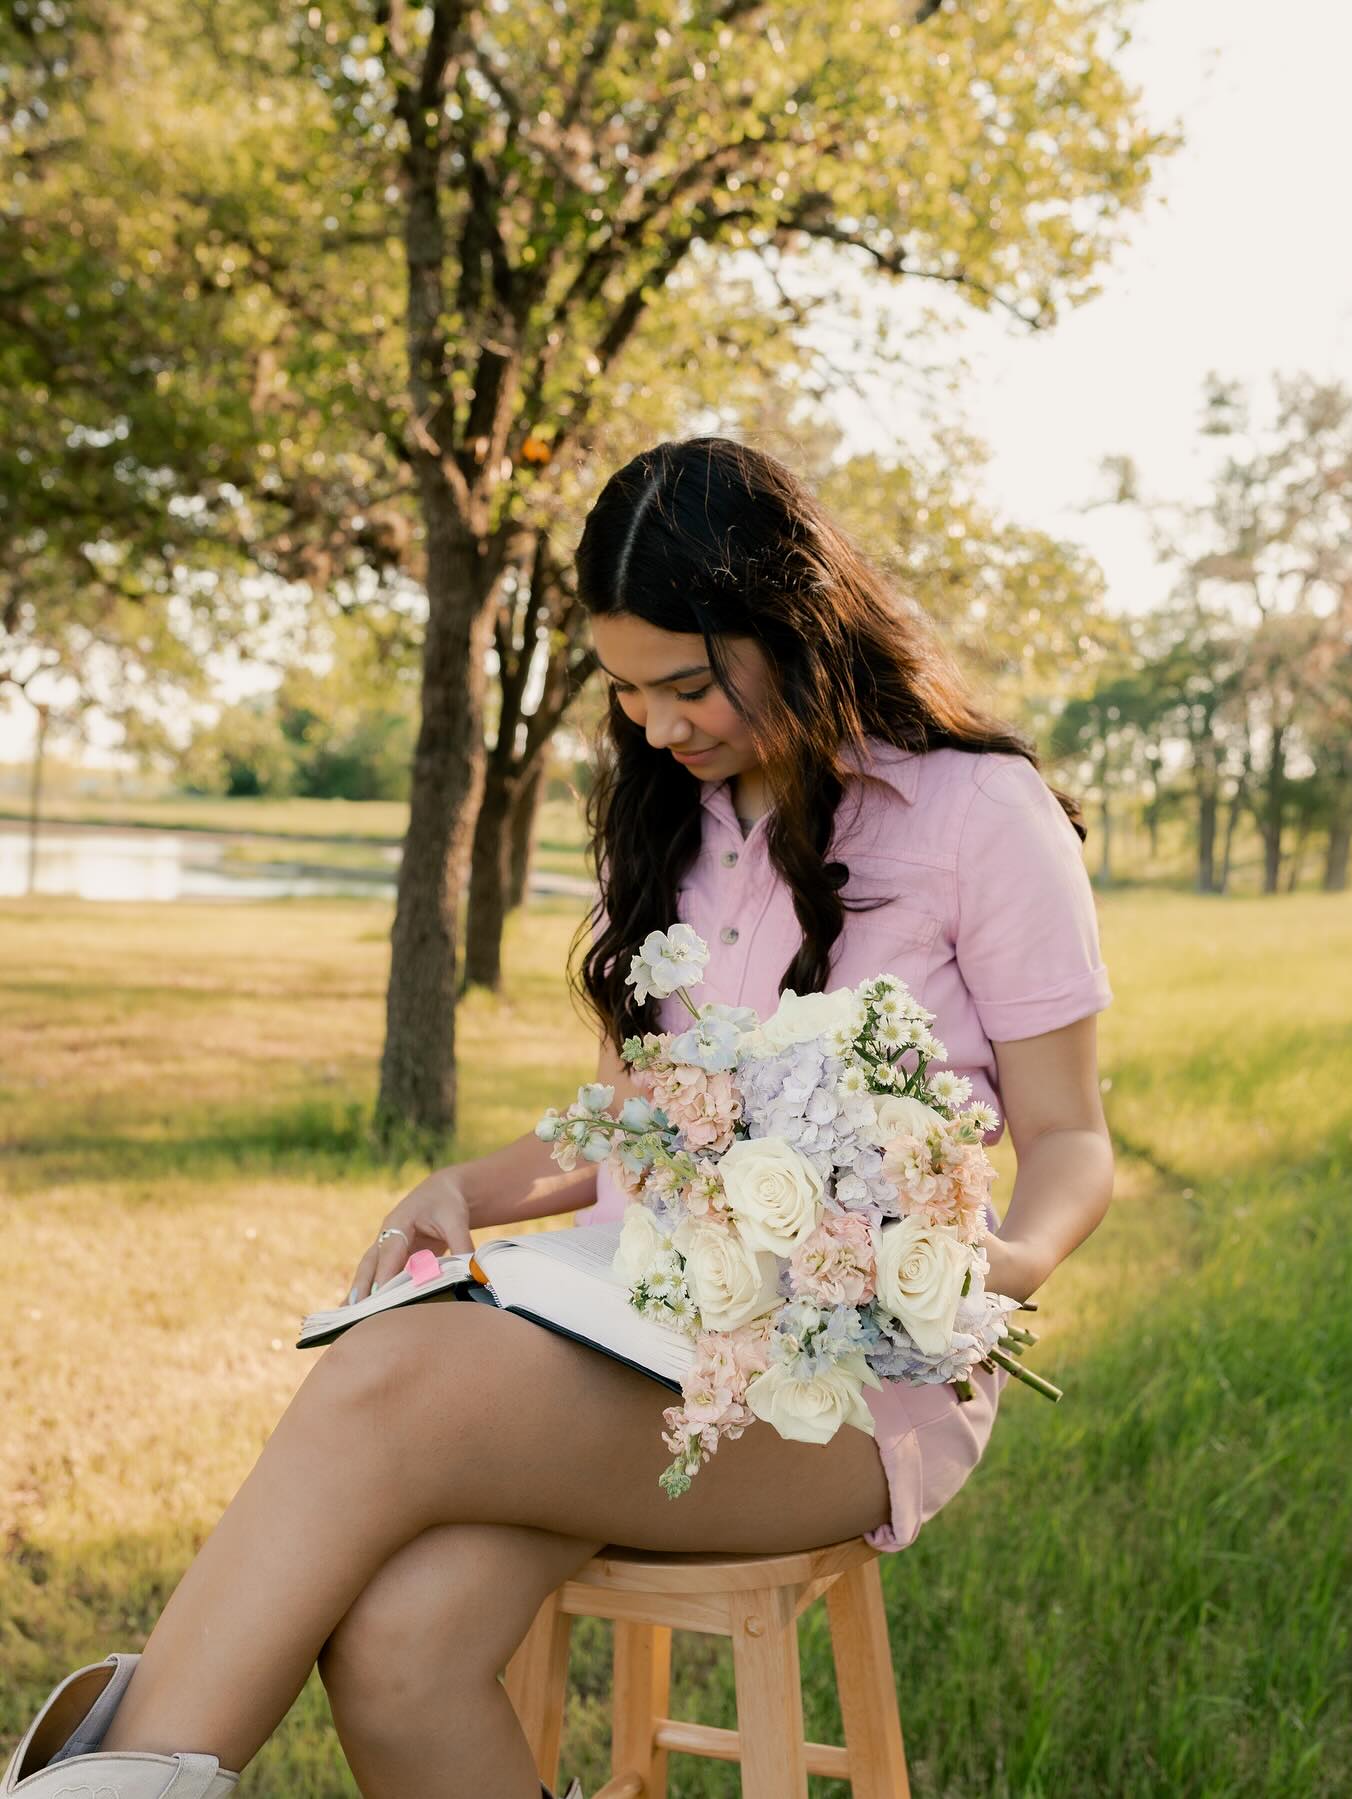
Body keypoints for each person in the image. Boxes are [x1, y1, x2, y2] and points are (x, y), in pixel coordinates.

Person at [4, 436, 1115, 1799]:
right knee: (402, 1650)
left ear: (797, 623)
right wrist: (467, 1183)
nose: (659, 726)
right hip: (628, 1317)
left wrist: (1003, 1267)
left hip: (842, 1383)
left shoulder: (978, 812)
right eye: (629, 691)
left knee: (393, 1369)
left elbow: (1070, 1141)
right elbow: (646, 1114)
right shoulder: (668, 816)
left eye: (691, 683)